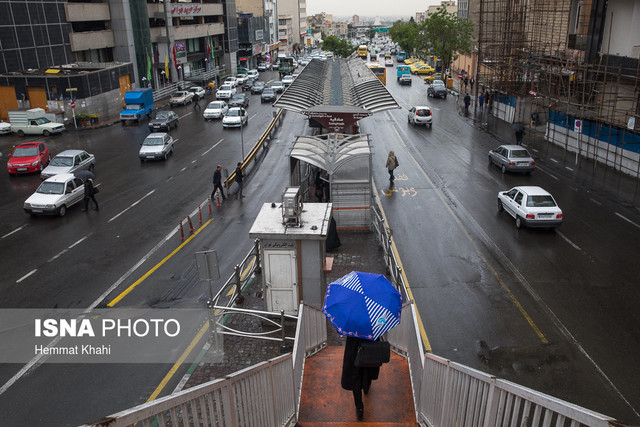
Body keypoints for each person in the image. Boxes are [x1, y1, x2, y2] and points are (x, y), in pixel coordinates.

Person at [341, 336, 380, 421]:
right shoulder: (373, 323)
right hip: (370, 343)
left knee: (355, 376)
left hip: (354, 345)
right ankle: (366, 387)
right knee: (369, 368)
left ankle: (359, 408)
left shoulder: (351, 323)